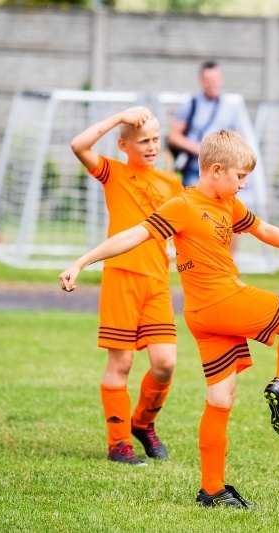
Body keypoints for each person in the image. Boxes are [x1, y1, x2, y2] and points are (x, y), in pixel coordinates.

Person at [60, 130, 279, 508]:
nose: (243, 185)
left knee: (221, 398)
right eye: (240, 177)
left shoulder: (228, 204)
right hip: (224, 300)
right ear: (217, 170)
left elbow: (265, 231)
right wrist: (82, 261)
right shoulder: (183, 205)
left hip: (202, 317)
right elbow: (133, 235)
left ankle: (212, 490)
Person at [69, 106, 184, 466]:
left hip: (158, 282)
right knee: (120, 364)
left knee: (165, 363)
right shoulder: (113, 173)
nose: (151, 147)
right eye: (143, 141)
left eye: (155, 140)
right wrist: (119, 118)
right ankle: (119, 444)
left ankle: (143, 424)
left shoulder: (172, 184)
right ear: (123, 145)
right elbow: (78, 144)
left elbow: (183, 234)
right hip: (120, 277)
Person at [167, 60, 242, 187]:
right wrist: (196, 148)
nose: (212, 83)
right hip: (194, 171)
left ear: (221, 79)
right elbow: (174, 136)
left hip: (222, 172)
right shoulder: (190, 105)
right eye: (208, 79)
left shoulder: (231, 109)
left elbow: (238, 141)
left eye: (216, 78)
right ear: (201, 81)